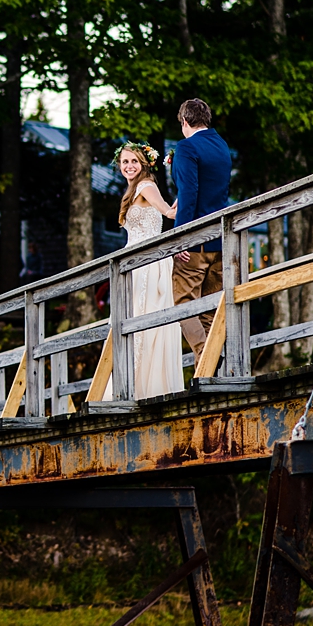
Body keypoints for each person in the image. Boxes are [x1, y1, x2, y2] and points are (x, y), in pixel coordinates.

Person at [103, 143, 185, 400]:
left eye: (134, 162)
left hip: (146, 264)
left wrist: (186, 183)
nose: (129, 166)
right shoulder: (133, 189)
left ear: (145, 164)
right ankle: (130, 384)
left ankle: (137, 387)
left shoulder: (146, 186)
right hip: (133, 263)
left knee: (141, 319)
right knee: (132, 319)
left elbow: (169, 213)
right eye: (125, 162)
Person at [170, 98, 232, 362]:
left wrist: (180, 238)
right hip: (220, 239)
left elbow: (189, 193)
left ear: (185, 121)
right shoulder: (222, 146)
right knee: (209, 309)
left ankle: (206, 357)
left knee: (184, 305)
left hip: (195, 243)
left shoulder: (186, 147)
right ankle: (209, 368)